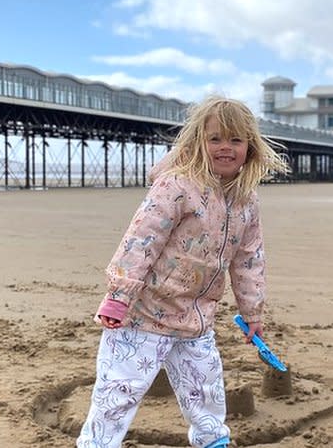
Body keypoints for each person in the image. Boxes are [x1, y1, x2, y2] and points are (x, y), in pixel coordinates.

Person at [77, 96, 290, 448]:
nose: (226, 148)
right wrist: (118, 295)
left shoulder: (246, 199)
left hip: (196, 322)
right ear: (198, 143)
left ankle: (212, 441)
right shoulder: (176, 186)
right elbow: (141, 240)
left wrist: (252, 312)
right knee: (118, 394)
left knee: (206, 391)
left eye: (236, 140)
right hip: (142, 316)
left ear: (250, 147)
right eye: (216, 138)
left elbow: (249, 259)